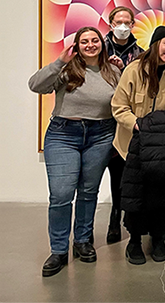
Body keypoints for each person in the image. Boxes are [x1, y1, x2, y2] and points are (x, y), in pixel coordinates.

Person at [29, 26, 120, 277]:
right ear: (77, 46)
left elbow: (124, 100)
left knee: (89, 191)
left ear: (102, 43)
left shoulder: (113, 71)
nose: (90, 45)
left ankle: (82, 241)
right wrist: (59, 61)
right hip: (63, 134)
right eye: (84, 41)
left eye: (94, 40)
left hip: (100, 135)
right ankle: (58, 250)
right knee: (61, 194)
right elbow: (35, 85)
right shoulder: (66, 68)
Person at [111, 26, 165, 265]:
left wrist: (164, 123)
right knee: (135, 193)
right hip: (132, 142)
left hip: (162, 144)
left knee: (160, 194)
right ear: (156, 43)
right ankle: (134, 240)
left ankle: (159, 237)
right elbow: (118, 106)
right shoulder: (133, 69)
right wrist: (138, 125)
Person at [103, 6, 144, 244]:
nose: (122, 26)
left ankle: (123, 218)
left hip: (128, 123)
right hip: (102, 121)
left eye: (126, 22)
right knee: (109, 174)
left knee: (125, 174)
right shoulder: (98, 48)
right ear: (110, 23)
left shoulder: (140, 53)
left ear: (133, 25)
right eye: (118, 21)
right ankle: (112, 218)